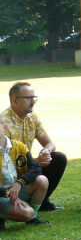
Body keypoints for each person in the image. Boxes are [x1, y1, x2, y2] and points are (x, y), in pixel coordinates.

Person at [3, 82, 67, 211]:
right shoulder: (3, 123)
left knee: (58, 158)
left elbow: (50, 143)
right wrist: (36, 162)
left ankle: (42, 201)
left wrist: (46, 152)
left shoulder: (32, 118)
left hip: (27, 166)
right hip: (9, 172)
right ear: (15, 100)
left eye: (34, 98)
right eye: (29, 98)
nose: (33, 102)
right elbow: (6, 162)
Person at [0, 119, 49, 230]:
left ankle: (32, 218)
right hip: (2, 194)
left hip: (15, 190)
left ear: (5, 128)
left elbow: (36, 168)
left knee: (42, 180)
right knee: (27, 213)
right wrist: (8, 194)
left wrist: (19, 183)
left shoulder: (19, 146)